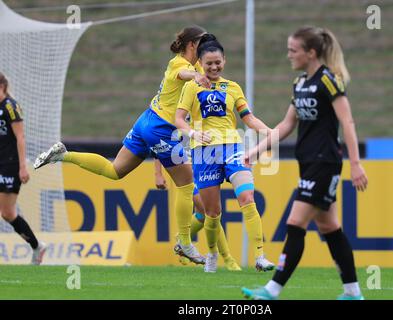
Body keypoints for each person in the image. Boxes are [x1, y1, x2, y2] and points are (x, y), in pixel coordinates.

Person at [34, 26, 212, 265]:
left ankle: (63, 156)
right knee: (186, 185)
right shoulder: (179, 64)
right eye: (204, 43)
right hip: (161, 128)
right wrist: (198, 77)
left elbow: (205, 79)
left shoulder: (198, 67)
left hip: (147, 120)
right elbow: (184, 75)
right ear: (192, 45)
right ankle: (185, 243)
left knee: (115, 170)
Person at [241, 26, 368, 300]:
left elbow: (347, 122)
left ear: (311, 53)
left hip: (325, 162)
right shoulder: (299, 84)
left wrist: (355, 163)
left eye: (293, 50)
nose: (289, 55)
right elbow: (286, 125)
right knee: (329, 227)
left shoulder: (329, 81)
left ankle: (271, 290)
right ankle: (353, 293)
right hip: (308, 162)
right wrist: (257, 150)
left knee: (295, 223)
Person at [175, 34, 275, 273]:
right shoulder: (191, 86)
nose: (214, 67)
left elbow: (248, 118)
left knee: (247, 199)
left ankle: (260, 257)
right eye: (209, 63)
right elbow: (178, 119)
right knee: (212, 213)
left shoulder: (233, 87)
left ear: (224, 61)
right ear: (200, 62)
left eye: (218, 62)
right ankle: (211, 254)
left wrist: (268, 131)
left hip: (232, 149)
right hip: (203, 154)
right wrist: (193, 134)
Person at [155, 159, 241, 271]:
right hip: (186, 169)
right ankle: (228, 258)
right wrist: (158, 173)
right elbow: (157, 144)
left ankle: (183, 237)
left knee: (203, 215)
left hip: (203, 165)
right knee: (209, 212)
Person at [0, 72, 47, 265]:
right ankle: (38, 247)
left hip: (10, 165)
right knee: (6, 213)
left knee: (7, 213)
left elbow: (20, 137)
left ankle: (37, 246)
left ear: (2, 86)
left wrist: (22, 167)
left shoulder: (11, 106)